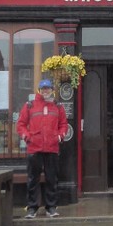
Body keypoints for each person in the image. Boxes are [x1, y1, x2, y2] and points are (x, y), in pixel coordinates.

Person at [16, 78, 68, 218]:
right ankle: (32, 208)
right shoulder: (30, 105)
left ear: (52, 90)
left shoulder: (58, 107)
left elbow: (63, 124)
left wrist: (59, 136)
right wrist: (27, 137)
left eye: (48, 88)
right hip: (35, 148)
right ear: (39, 90)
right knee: (33, 179)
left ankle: (51, 207)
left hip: (52, 148)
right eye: (43, 89)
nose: (46, 91)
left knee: (52, 178)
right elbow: (20, 124)